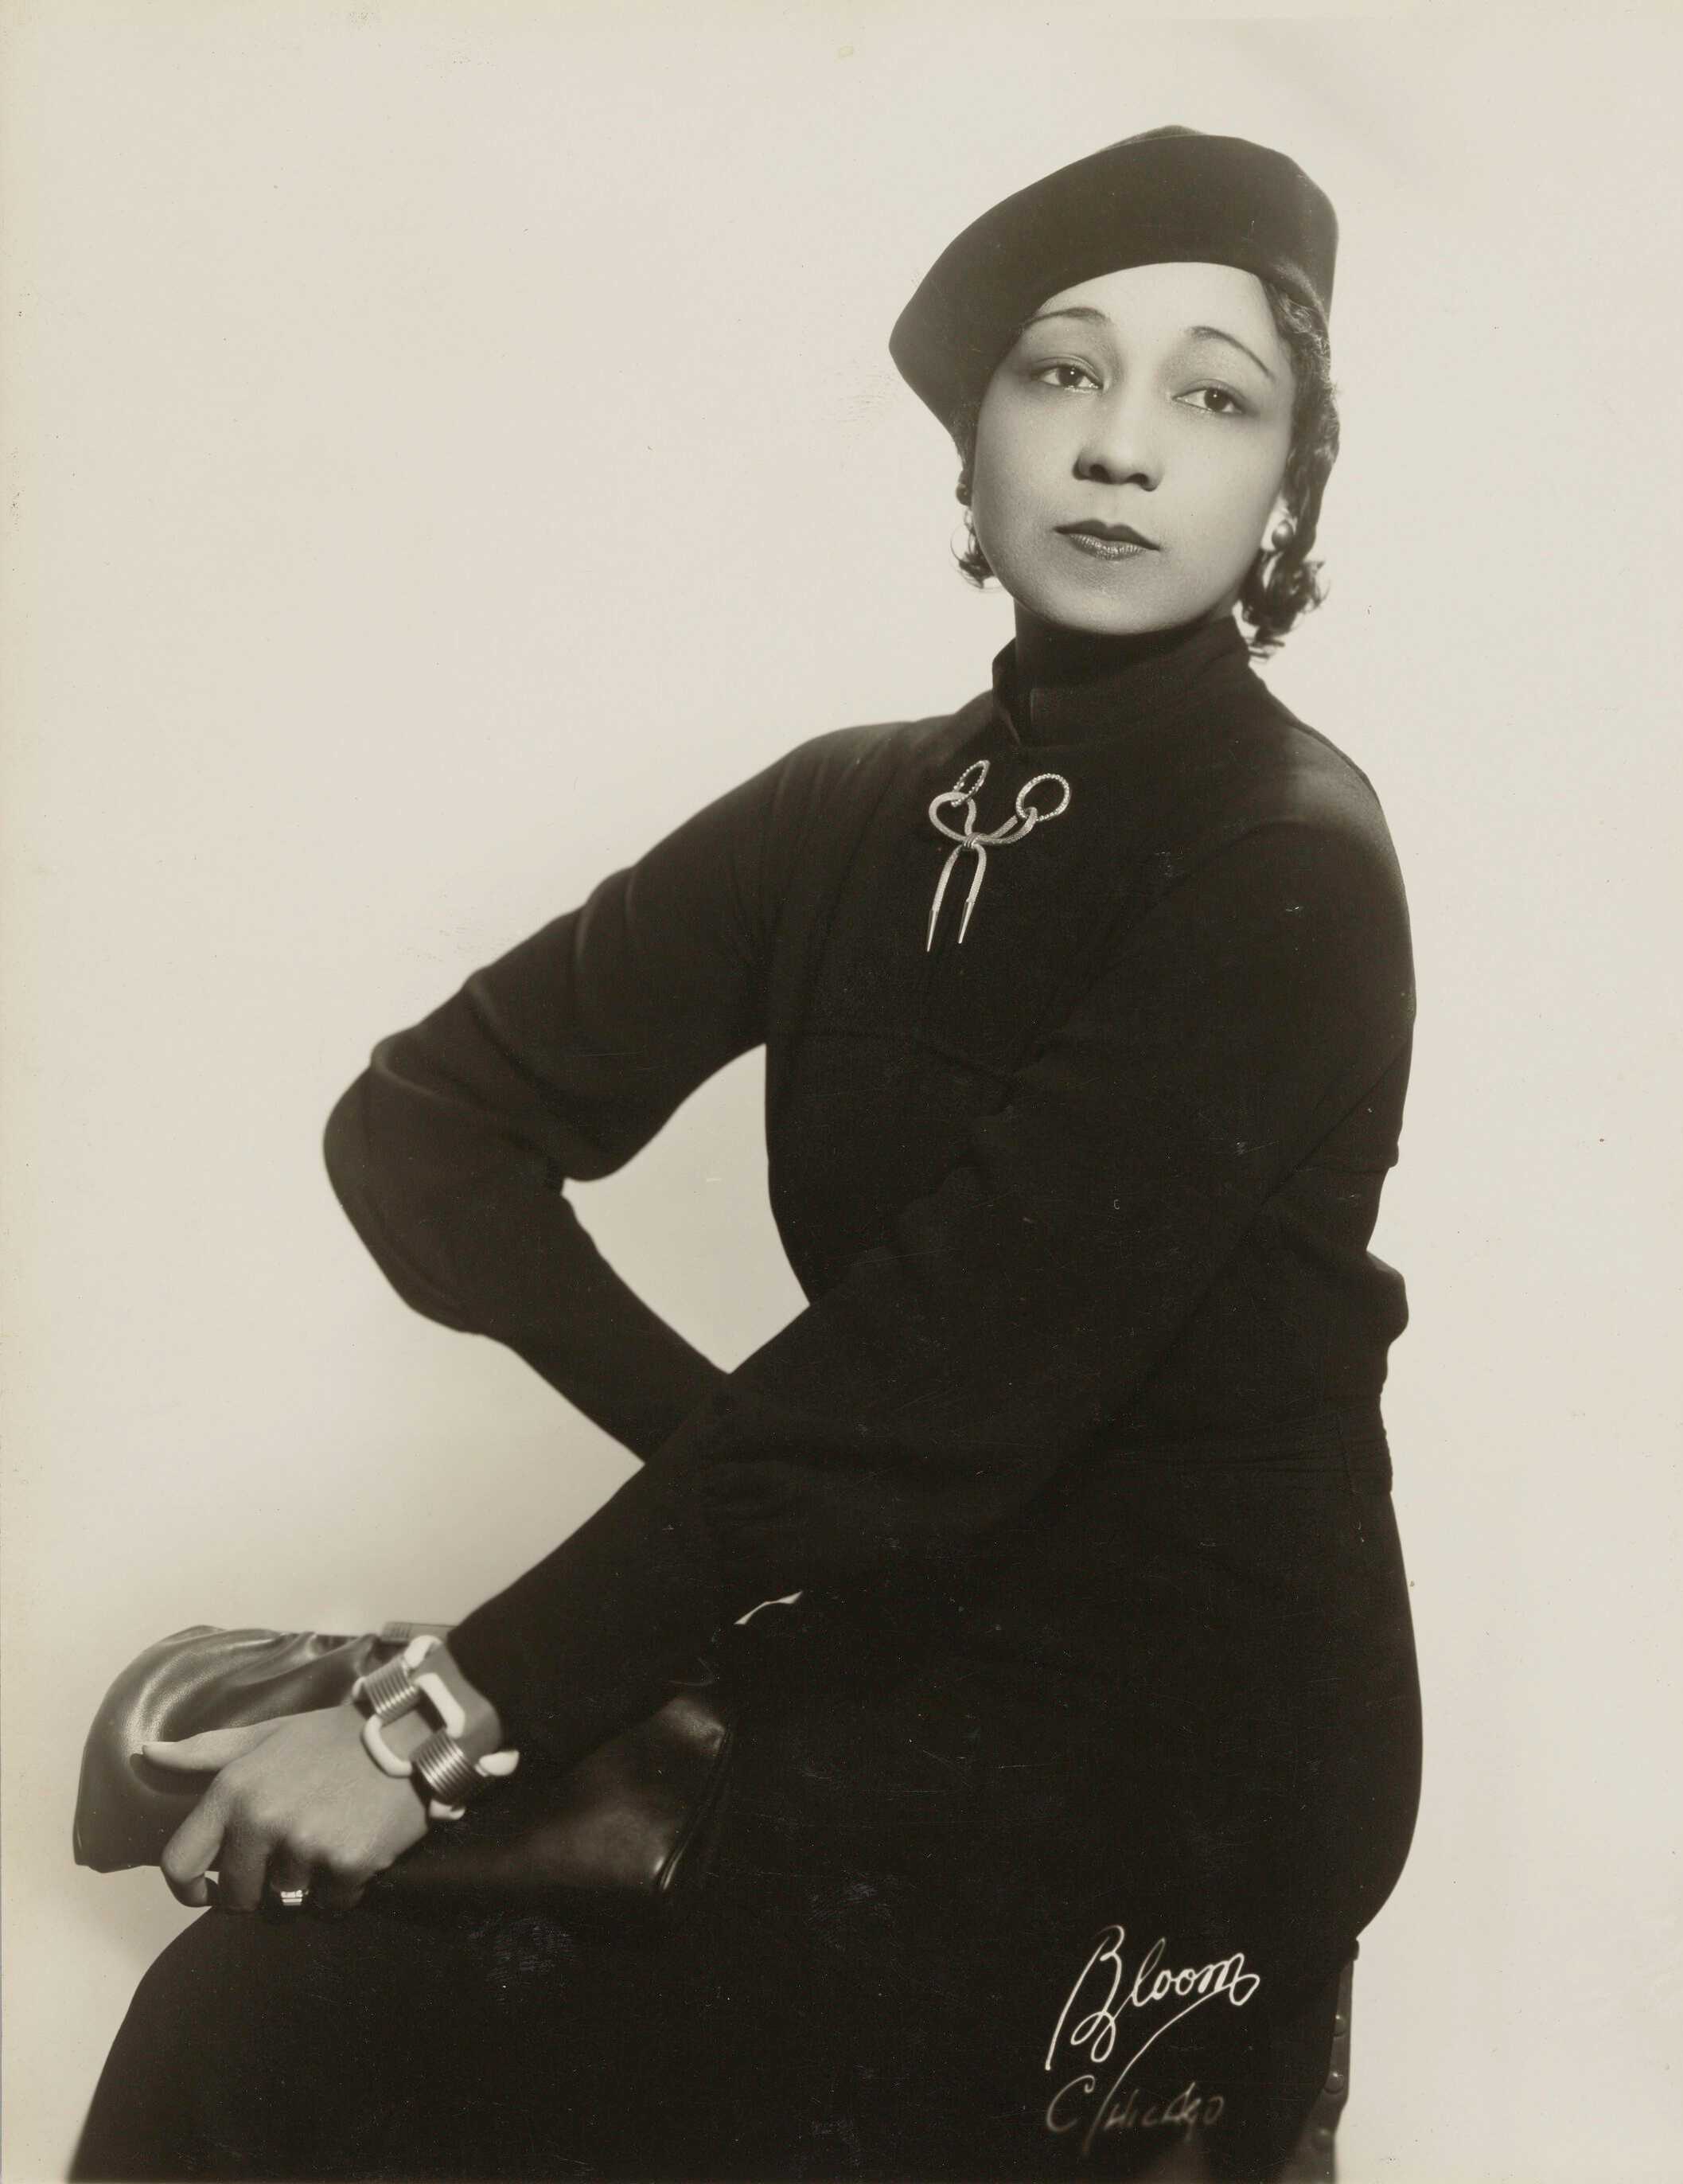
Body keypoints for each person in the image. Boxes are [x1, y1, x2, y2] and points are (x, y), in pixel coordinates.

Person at [73, 126, 1423, 2183]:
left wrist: (434, 1721)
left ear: (1283, 489)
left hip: (1183, 1760)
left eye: (1213, 399)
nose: (1122, 448)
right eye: (1058, 375)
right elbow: (426, 1127)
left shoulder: (1281, 859)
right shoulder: (852, 810)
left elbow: (926, 1389)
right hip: (882, 1676)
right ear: (968, 445)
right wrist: (726, 1457)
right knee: (254, 2012)